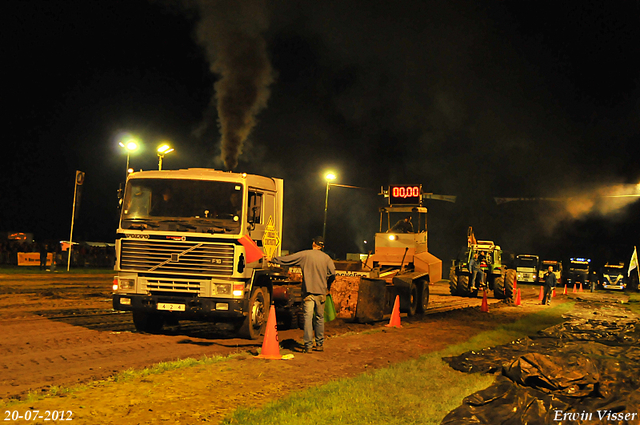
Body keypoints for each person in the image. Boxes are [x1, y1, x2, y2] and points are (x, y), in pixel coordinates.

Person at [270, 236, 336, 353]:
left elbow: (289, 259)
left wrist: (273, 259)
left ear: (313, 244)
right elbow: (333, 274)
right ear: (322, 246)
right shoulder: (327, 258)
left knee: (308, 319)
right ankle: (319, 344)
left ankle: (308, 346)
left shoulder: (305, 255)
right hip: (321, 293)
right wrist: (328, 286)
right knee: (319, 319)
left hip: (308, 293)